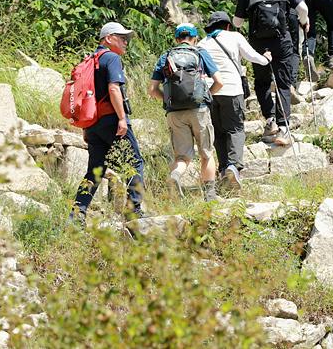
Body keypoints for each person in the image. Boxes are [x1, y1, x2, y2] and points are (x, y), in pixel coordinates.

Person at [71, 22, 145, 225]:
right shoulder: (111, 58)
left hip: (93, 122)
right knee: (135, 162)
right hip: (111, 120)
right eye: (122, 38)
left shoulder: (89, 61)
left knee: (95, 169)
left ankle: (76, 215)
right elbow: (113, 89)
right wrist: (122, 118)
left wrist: (87, 126)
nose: (126, 42)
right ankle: (134, 211)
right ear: (109, 38)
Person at [233, 0, 309, 145]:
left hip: (258, 43)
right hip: (281, 40)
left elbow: (237, 22)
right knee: (283, 84)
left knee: (262, 82)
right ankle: (283, 129)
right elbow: (303, 8)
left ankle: (270, 121)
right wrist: (304, 22)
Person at [148, 23, 223, 201]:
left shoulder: (166, 56)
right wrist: (205, 97)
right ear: (195, 39)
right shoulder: (200, 53)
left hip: (174, 112)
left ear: (176, 39)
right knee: (206, 153)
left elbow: (152, 90)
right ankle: (210, 195)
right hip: (199, 109)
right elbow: (219, 82)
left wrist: (168, 101)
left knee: (182, 156)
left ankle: (175, 176)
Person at [199, 11, 271, 190]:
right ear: (228, 25)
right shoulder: (235, 37)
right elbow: (253, 57)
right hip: (231, 89)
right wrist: (267, 58)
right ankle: (234, 166)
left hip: (210, 92)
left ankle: (224, 169)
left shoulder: (201, 43)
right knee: (236, 129)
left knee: (218, 132)